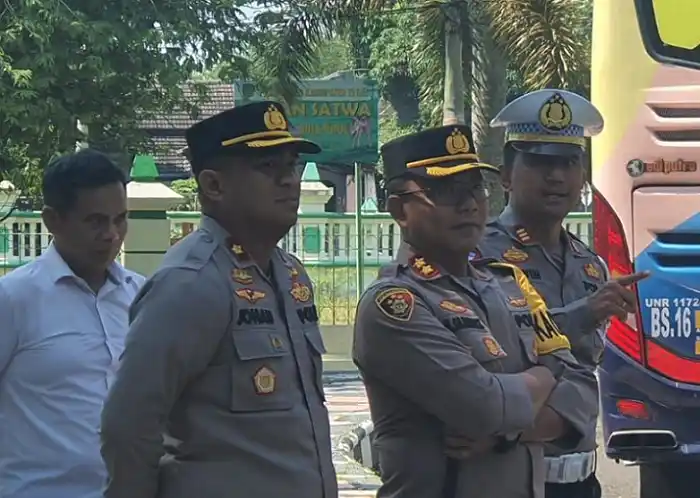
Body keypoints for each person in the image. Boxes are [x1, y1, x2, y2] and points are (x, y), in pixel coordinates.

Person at [100, 100, 337, 498]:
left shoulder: (289, 273)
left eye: (292, 166)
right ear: (214, 185)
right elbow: (129, 425)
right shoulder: (191, 282)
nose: (288, 181)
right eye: (267, 168)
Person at [352, 124, 599, 498]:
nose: (468, 204)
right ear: (400, 210)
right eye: (446, 192)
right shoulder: (396, 305)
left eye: (474, 189)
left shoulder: (508, 284)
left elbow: (582, 392)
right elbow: (484, 408)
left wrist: (509, 434)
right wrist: (545, 376)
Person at [478, 89, 649, 498]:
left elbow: (582, 370)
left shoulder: (590, 265)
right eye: (539, 162)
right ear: (505, 175)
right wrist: (583, 314)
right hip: (512, 479)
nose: (557, 177)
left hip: (581, 481)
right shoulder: (479, 256)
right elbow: (501, 360)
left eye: (569, 162)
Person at [0, 149, 144, 498]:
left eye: (120, 219)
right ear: (53, 220)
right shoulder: (13, 300)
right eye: (95, 221)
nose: (111, 234)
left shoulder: (142, 296)